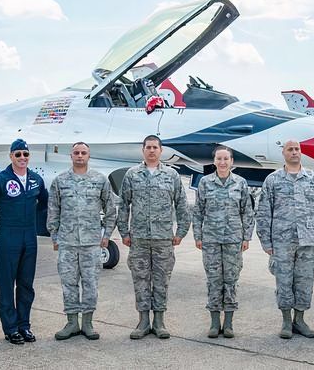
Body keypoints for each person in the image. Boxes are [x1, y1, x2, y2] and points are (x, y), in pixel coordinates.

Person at [257, 140, 314, 339]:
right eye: (290, 149)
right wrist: (266, 241)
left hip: (308, 241)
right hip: (281, 241)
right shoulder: (273, 180)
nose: (294, 152)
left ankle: (299, 320)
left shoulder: (313, 178)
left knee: (305, 281)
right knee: (283, 281)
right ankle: (285, 320)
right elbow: (264, 212)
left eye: (297, 149)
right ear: (283, 153)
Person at [0, 139, 48, 344]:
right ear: (11, 156)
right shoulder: (0, 179)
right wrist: (0, 215)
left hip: (29, 237)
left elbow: (44, 202)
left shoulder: (35, 179)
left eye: (25, 154)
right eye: (18, 154)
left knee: (26, 284)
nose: (22, 158)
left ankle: (24, 326)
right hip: (8, 236)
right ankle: (10, 328)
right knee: (7, 284)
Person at [117, 135, 190, 340]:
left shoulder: (172, 175)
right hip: (138, 238)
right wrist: (124, 232)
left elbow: (182, 205)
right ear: (143, 150)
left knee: (161, 280)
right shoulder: (132, 175)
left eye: (155, 147)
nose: (151, 151)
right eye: (148, 147)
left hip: (163, 238)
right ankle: (142, 321)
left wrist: (181, 232)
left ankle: (159, 321)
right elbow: (124, 205)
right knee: (140, 280)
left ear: (160, 150)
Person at [47, 142, 116, 341]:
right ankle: (71, 323)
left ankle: (87, 323)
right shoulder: (60, 181)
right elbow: (53, 211)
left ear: (88, 156)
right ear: (71, 156)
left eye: (83, 153)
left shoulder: (100, 180)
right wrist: (55, 236)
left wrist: (106, 236)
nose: (79, 156)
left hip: (91, 244)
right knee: (69, 284)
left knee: (90, 284)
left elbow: (111, 210)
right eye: (76, 153)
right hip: (67, 243)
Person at [192, 146, 254, 339]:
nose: (222, 162)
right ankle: (214, 323)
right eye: (219, 159)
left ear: (232, 161)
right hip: (210, 239)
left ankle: (228, 323)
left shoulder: (241, 183)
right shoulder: (205, 182)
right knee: (213, 280)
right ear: (215, 161)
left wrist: (246, 237)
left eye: (226, 158)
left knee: (231, 281)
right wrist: (198, 236)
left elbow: (247, 212)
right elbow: (198, 211)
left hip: (233, 240)